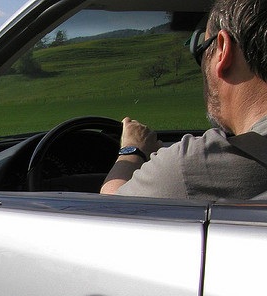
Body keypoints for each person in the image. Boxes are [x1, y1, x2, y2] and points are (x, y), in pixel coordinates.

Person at [101, 0, 267, 200]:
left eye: (202, 52)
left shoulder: (192, 167)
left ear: (223, 51)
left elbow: (112, 204)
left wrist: (132, 150)